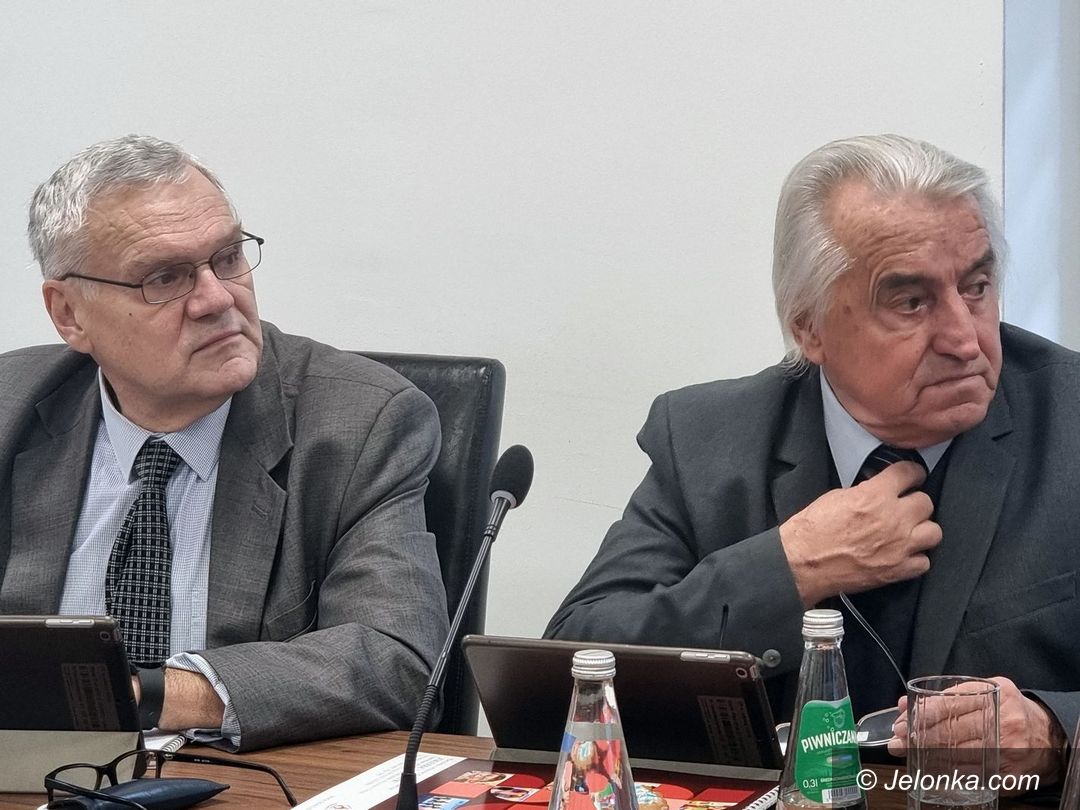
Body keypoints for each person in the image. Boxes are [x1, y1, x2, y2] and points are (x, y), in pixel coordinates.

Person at [545, 134, 1080, 782]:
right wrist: (790, 565)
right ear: (809, 326)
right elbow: (568, 674)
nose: (965, 339)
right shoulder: (710, 441)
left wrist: (1054, 730)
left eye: (977, 287)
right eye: (911, 302)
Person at [0, 135, 450, 751]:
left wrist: (142, 694)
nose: (216, 298)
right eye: (165, 278)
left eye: (229, 257)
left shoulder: (360, 422)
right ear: (69, 314)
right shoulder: (10, 408)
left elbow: (398, 659)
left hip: (236, 781)